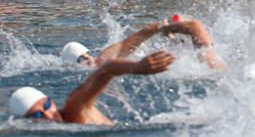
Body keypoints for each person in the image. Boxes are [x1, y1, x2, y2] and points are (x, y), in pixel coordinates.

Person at [8, 51, 175, 125]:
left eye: (46, 106)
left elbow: (105, 70)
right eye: (37, 114)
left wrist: (137, 66)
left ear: (50, 100)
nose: (48, 114)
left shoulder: (74, 107)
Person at [59, 16, 224, 71]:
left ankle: (179, 31)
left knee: (212, 63)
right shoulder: (102, 65)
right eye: (81, 60)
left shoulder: (103, 60)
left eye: (83, 57)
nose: (86, 61)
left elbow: (138, 37)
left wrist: (161, 27)